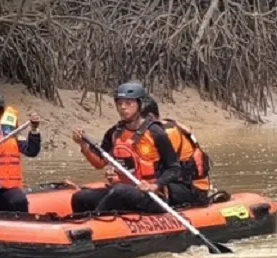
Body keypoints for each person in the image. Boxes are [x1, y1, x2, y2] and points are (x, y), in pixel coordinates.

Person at [70, 81, 207, 214]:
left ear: (139, 105)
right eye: (119, 103)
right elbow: (99, 163)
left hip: (155, 195)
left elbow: (174, 168)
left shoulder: (156, 132)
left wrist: (155, 185)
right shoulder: (114, 133)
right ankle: (80, 228)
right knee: (81, 197)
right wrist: (83, 145)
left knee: (120, 191)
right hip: (129, 189)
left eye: (128, 103)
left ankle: (95, 223)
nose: (123, 107)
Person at [140, 96, 213, 195]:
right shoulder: (159, 130)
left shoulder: (166, 133)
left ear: (150, 117)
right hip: (178, 183)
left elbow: (164, 167)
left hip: (191, 187)